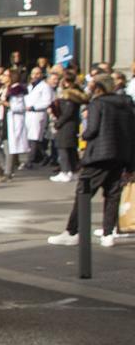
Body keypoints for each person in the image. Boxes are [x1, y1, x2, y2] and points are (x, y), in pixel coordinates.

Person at [48, 74, 134, 247]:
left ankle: (72, 231)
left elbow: (92, 130)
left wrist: (84, 132)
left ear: (99, 87)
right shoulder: (126, 104)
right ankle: (108, 233)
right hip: (120, 155)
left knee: (84, 193)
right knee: (112, 194)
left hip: (99, 155)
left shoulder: (98, 103)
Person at [50, 81, 84, 182]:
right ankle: (73, 170)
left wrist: (58, 123)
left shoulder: (70, 101)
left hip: (66, 127)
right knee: (70, 150)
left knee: (63, 149)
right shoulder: (72, 101)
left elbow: (66, 114)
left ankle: (65, 171)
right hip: (70, 127)